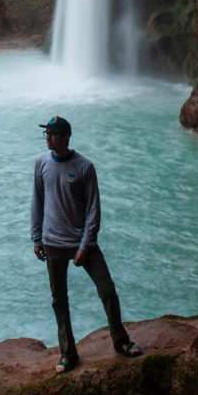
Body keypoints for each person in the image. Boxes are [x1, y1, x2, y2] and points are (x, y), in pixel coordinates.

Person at [31, 115, 142, 373]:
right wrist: (36, 237)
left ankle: (121, 341)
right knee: (59, 299)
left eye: (54, 133)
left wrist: (84, 245)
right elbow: (37, 202)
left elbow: (94, 209)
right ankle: (68, 353)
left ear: (66, 137)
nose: (48, 137)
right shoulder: (41, 163)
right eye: (46, 132)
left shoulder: (84, 166)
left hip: (83, 242)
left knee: (107, 290)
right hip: (53, 241)